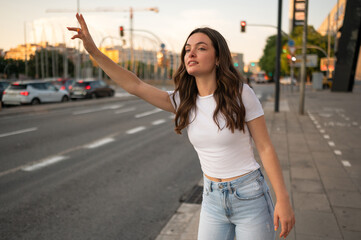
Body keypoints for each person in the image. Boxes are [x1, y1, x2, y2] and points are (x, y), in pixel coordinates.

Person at [68, 13, 295, 240]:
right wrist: (93, 51)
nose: (191, 53)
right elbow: (134, 85)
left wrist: (283, 200)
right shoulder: (183, 101)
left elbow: (265, 148)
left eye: (201, 48)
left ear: (218, 58)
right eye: (187, 49)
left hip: (250, 195)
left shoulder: (241, 93)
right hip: (212, 198)